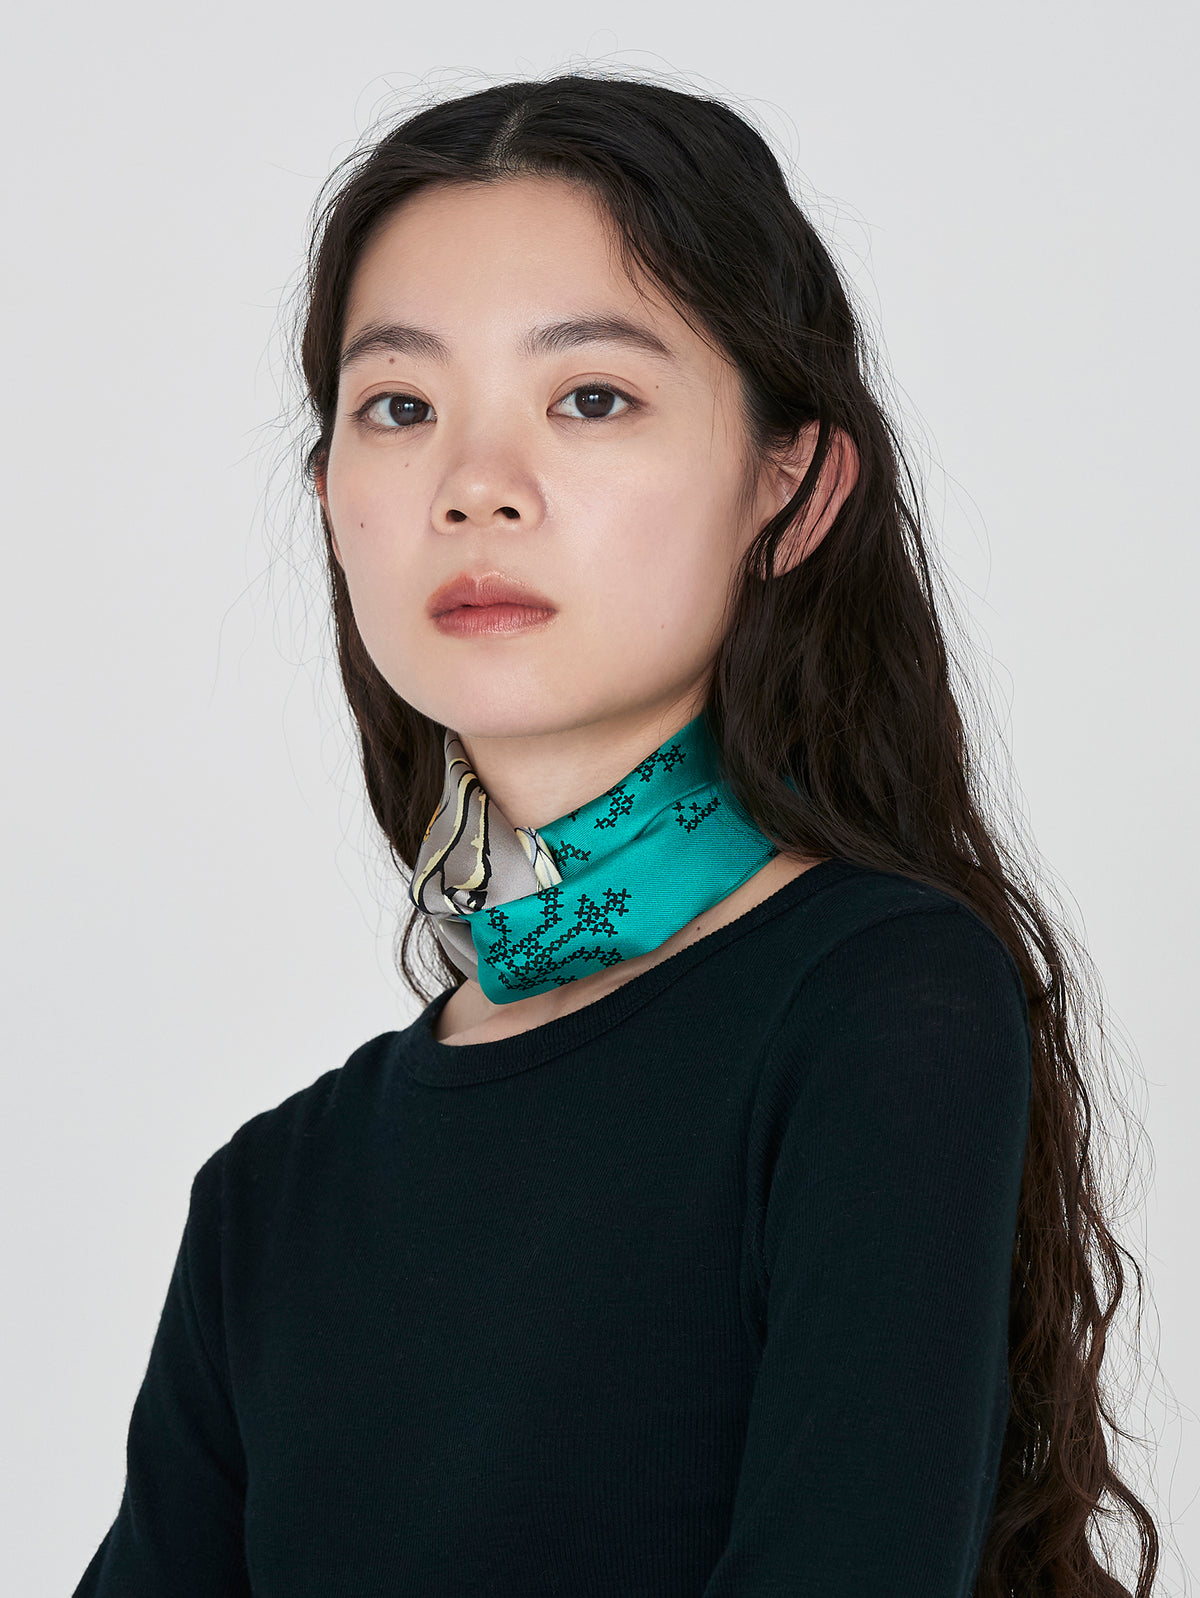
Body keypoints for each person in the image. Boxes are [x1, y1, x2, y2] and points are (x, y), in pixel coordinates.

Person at [72, 73, 1161, 1597]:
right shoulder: (269, 1197)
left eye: (590, 397)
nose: (476, 488)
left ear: (793, 486)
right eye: (401, 407)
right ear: (330, 495)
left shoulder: (881, 1005)